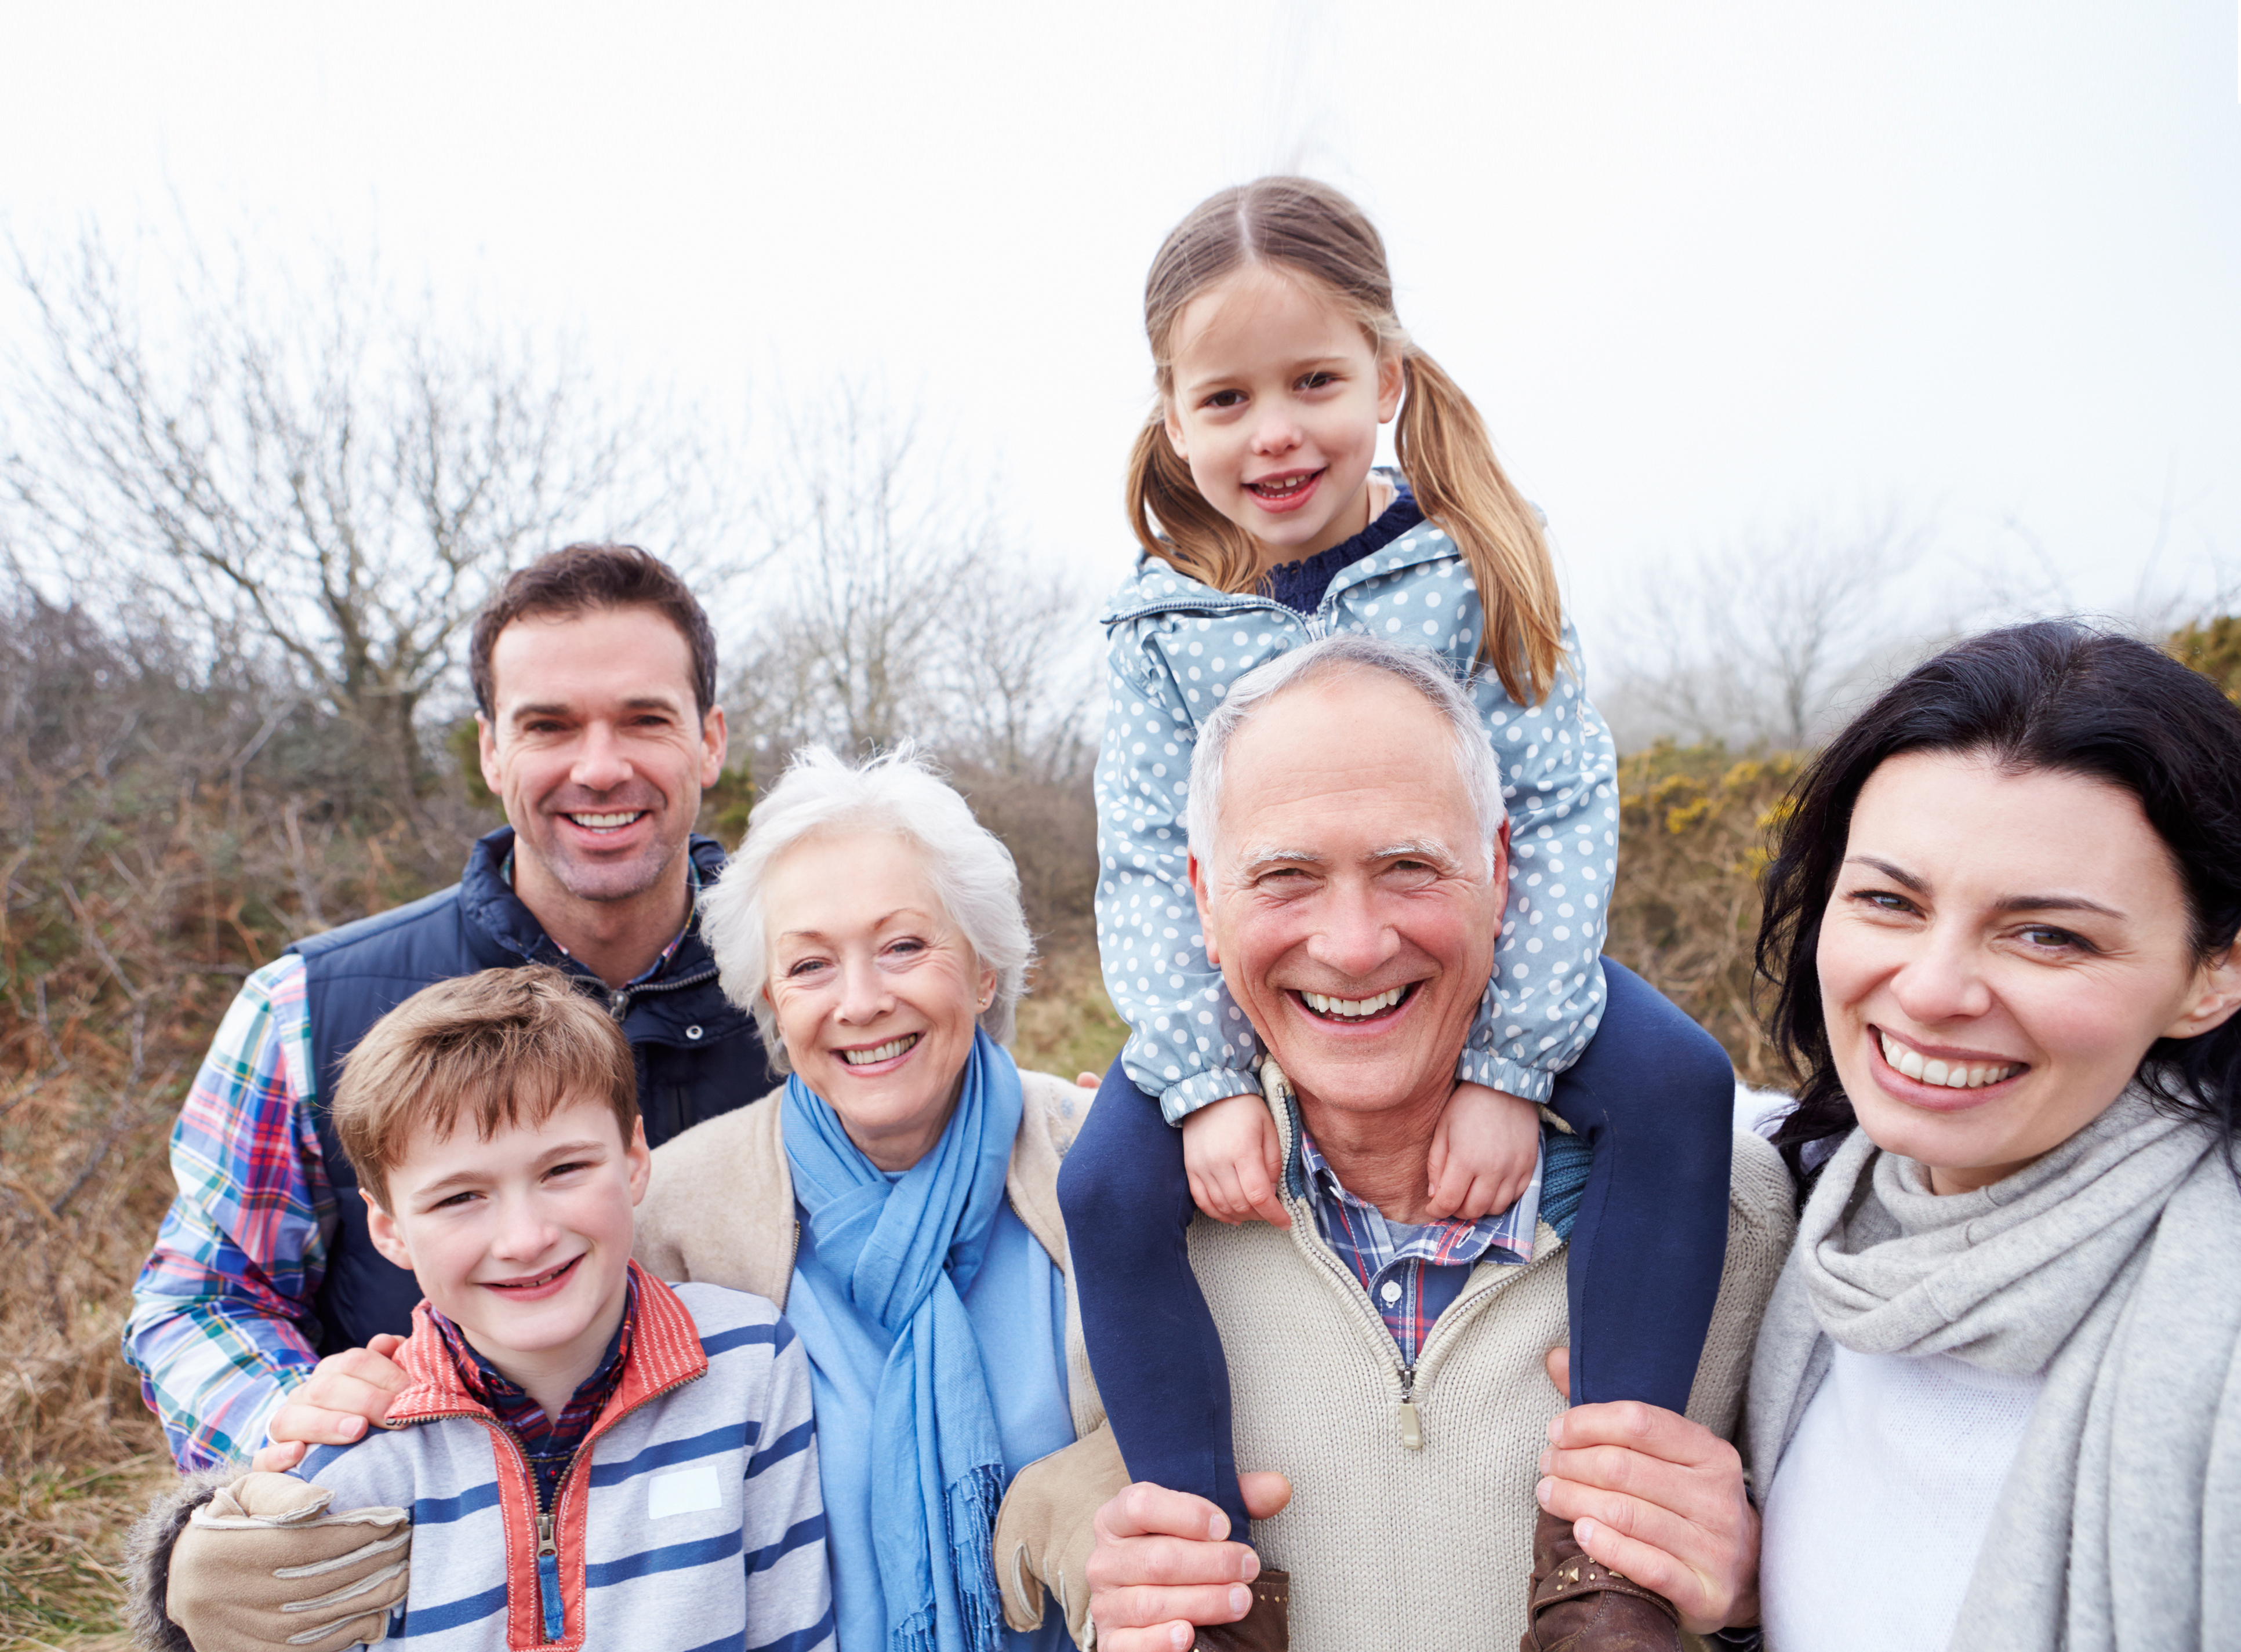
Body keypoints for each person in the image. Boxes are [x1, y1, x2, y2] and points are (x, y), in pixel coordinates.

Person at [1060, 176, 1738, 1647]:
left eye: (1315, 381)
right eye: (1226, 398)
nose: (1276, 432)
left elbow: (1555, 810)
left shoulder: (1468, 561)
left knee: (1680, 1083)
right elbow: (1145, 864)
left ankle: (1605, 1543)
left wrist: (1512, 1063)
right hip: (1234, 1010)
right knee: (1108, 1189)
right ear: (1172, 418)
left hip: (1513, 966)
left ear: (1389, 377)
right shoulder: (1160, 625)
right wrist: (1198, 1082)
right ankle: (1211, 1580)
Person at [167, 746, 1127, 1652]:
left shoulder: (1103, 1162)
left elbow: (1253, 1382)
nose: (861, 999)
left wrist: (1135, 1465)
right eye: (809, 964)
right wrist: (278, 1474)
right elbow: (514, 1422)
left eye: (906, 945)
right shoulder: (673, 1205)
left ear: (985, 963)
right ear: (770, 1004)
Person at [1032, 635, 1793, 1650]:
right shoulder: (1123, 1233)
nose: (1353, 945)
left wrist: (1755, 1596)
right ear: (1202, 902)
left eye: (1408, 867)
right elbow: (1047, 1495)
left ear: (1502, 872)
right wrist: (1109, 1586)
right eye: (1287, 875)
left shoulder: (1752, 1227)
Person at [124, 543, 779, 1472]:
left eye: (643, 718)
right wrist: (299, 1428)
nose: (599, 768)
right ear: (491, 749)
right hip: (436, 1583)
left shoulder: (816, 989)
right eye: (549, 725)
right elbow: (200, 1297)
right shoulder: (307, 1009)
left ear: (708, 739)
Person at [1744, 620, 2241, 1651]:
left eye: (2048, 935)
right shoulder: (1808, 1212)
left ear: (2214, 973)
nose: (1930, 992)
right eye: (1889, 900)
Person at [132, 966, 833, 1652]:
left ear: (635, 1159)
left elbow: (792, 1625)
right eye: (460, 1197)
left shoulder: (749, 1363)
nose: (526, 1238)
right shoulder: (350, 1461)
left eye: (564, 1170)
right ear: (388, 1229)